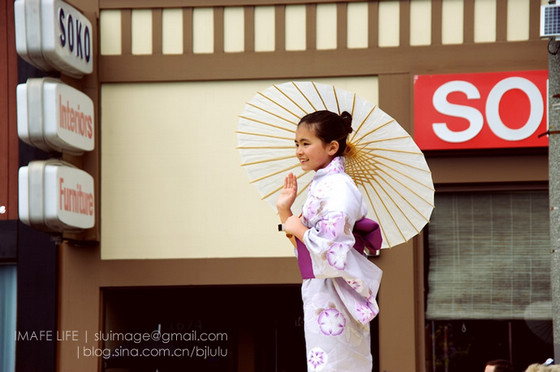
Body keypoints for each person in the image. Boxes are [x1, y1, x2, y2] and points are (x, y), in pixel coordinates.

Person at [276, 110, 383, 371]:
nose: (299, 151)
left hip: (335, 288)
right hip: (323, 288)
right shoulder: (324, 184)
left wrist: (298, 229)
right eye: (297, 144)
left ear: (332, 147)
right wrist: (285, 212)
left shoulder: (338, 186)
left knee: (337, 364)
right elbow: (309, 251)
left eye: (306, 143)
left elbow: (334, 249)